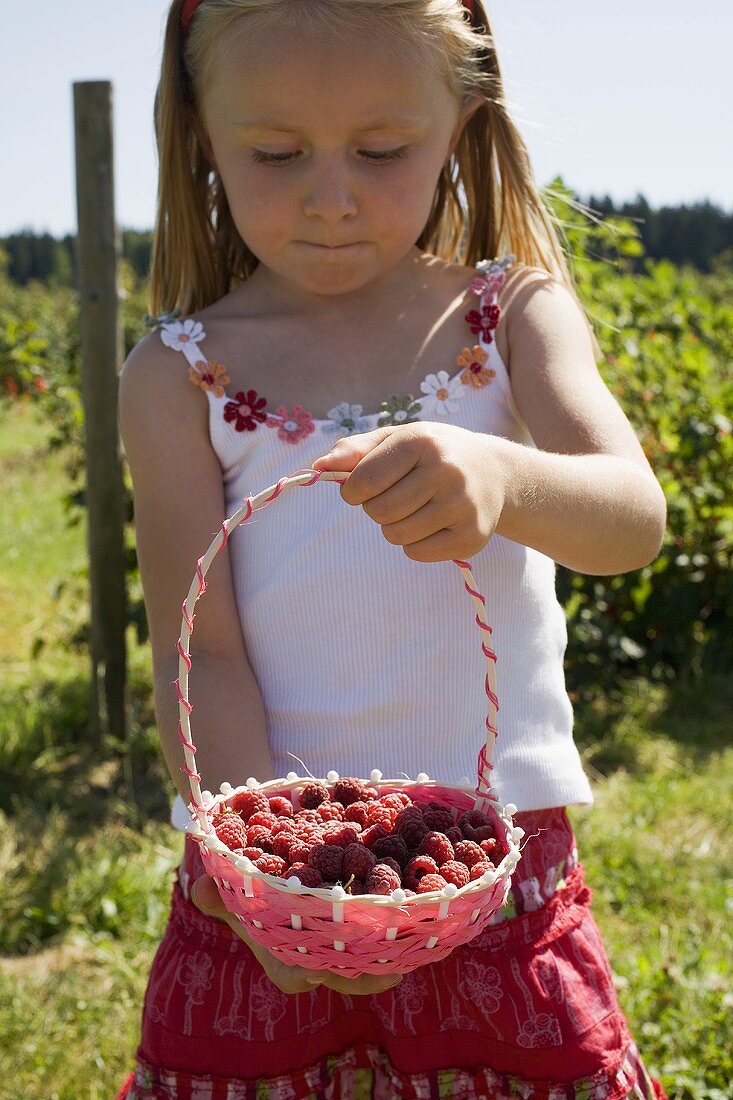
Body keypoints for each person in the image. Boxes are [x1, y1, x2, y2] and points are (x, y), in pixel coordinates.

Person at [116, 0, 669, 1096]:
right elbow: (204, 653)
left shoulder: (507, 317)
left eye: (382, 149)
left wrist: (507, 479)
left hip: (492, 866)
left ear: (459, 125)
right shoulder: (179, 371)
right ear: (202, 137)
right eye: (275, 153)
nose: (332, 196)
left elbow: (629, 516)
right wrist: (258, 868)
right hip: (271, 871)